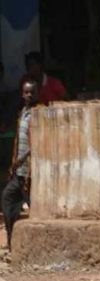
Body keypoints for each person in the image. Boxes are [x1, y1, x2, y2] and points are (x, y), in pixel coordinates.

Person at [3, 79, 37, 250]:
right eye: (26, 92)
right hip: (18, 172)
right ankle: (11, 241)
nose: (29, 95)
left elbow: (37, 144)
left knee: (34, 208)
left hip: (29, 173)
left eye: (32, 92)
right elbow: (18, 140)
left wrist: (23, 159)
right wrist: (13, 163)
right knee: (7, 200)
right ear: (22, 94)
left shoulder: (38, 114)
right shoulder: (22, 112)